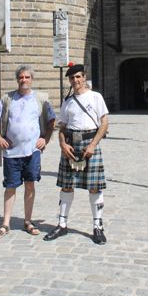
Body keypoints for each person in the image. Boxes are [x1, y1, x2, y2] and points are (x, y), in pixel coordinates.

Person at [43, 64, 109, 245]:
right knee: (66, 186)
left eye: (78, 77)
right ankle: (62, 224)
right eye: (72, 78)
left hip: (90, 143)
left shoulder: (96, 97)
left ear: (84, 77)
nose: (75, 80)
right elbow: (62, 127)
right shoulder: (68, 101)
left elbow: (104, 124)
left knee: (94, 187)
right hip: (71, 145)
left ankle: (98, 227)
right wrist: (62, 144)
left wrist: (93, 145)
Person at [0, 64, 55, 239]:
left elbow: (52, 121)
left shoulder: (40, 99)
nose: (24, 80)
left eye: (27, 77)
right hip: (11, 152)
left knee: (30, 185)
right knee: (10, 187)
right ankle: (5, 224)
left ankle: (27, 221)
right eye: (21, 77)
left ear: (31, 79)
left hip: (32, 151)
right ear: (17, 79)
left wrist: (45, 139)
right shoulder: (7, 99)